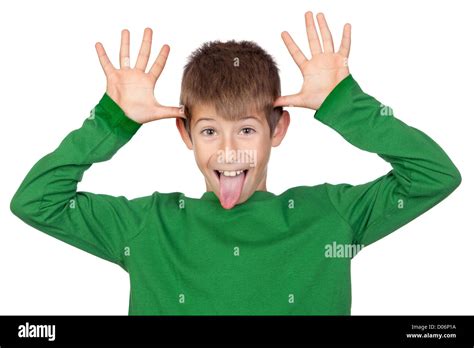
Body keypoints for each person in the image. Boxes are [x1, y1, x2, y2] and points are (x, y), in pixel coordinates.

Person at [10, 12, 461, 315]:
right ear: (185, 134)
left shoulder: (329, 217)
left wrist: (346, 105)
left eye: (246, 129)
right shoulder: (149, 226)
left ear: (277, 131)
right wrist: (111, 122)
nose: (228, 151)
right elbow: (35, 202)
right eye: (209, 131)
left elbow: (434, 176)